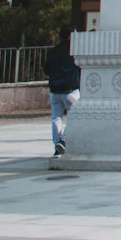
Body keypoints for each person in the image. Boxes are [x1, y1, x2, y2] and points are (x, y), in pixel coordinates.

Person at [46, 25, 80, 157]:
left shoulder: (53, 51)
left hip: (55, 89)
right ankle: (63, 140)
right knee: (76, 114)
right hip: (70, 88)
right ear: (71, 36)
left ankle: (57, 147)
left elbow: (46, 69)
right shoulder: (74, 50)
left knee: (56, 118)